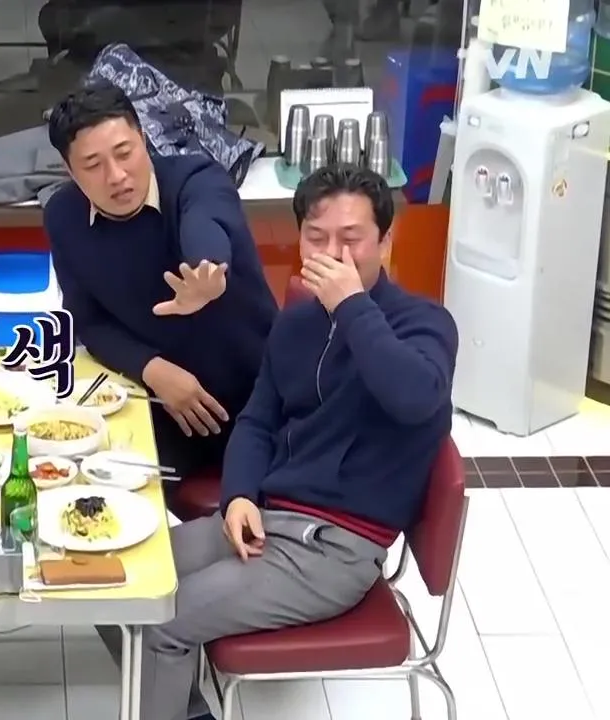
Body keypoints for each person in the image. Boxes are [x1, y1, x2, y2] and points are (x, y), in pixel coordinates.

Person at [98, 164, 458, 720]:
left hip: (333, 548)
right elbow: (258, 420)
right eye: (317, 238)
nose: (333, 255)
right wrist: (239, 494)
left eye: (351, 239)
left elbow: (412, 396)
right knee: (110, 583)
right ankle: (186, 709)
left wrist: (351, 306)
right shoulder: (296, 325)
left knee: (164, 621)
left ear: (386, 242)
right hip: (265, 519)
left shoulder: (425, 324)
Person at [43, 82, 279, 477]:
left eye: (124, 153)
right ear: (70, 171)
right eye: (93, 165)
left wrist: (206, 269)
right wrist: (153, 370)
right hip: (159, 407)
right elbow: (90, 322)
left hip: (256, 405)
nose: (116, 176)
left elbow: (206, 220)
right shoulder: (63, 217)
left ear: (143, 139)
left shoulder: (197, 178)